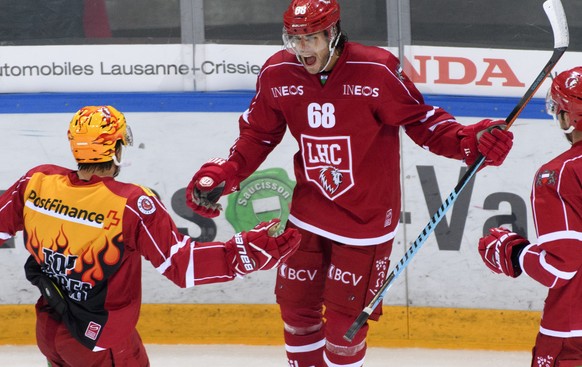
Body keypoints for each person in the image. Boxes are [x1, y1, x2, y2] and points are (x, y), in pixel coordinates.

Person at [185, 1, 514, 366]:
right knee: (297, 315)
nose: (301, 48)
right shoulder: (278, 74)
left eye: (310, 38)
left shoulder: (376, 69)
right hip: (307, 216)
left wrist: (470, 140)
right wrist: (225, 172)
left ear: (333, 32)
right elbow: (258, 135)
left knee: (345, 331)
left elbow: (422, 122)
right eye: (294, 38)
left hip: (365, 223)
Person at [0, 105, 301, 367]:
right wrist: (242, 256)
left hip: (49, 330)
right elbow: (182, 266)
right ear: (115, 149)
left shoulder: (37, 181)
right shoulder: (130, 203)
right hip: (100, 341)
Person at [478, 67, 582, 367]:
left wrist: (512, 251)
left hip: (572, 335)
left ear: (568, 117)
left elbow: (559, 267)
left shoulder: (559, 174)